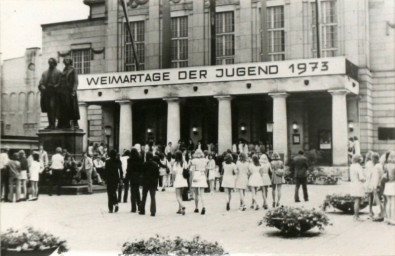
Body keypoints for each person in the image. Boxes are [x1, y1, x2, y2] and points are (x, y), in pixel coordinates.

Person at [38, 58, 61, 129]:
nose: (50, 64)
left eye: (52, 63)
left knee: (52, 108)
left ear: (55, 63)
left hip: (54, 93)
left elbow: (60, 83)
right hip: (46, 93)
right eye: (49, 63)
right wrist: (42, 87)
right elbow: (40, 83)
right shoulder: (45, 73)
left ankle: (53, 124)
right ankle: (50, 124)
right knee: (48, 109)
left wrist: (55, 86)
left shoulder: (59, 72)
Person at [57, 57, 80, 128]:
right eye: (65, 60)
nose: (65, 61)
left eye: (67, 59)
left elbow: (76, 81)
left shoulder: (73, 69)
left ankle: (75, 122)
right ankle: (64, 123)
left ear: (70, 61)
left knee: (71, 107)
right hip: (62, 92)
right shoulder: (63, 70)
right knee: (63, 107)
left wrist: (74, 90)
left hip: (69, 91)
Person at [140, 152, 159, 216]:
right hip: (153, 182)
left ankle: (142, 210)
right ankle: (153, 211)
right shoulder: (155, 164)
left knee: (144, 196)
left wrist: (141, 182)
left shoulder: (144, 164)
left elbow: (142, 174)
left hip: (145, 182)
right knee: (153, 197)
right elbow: (157, 175)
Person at [191, 149, 208, 215]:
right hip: (202, 174)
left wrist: (193, 178)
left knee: (196, 193)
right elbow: (206, 170)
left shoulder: (194, 161)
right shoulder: (205, 160)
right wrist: (206, 177)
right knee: (202, 193)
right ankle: (203, 206)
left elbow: (193, 170)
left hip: (196, 174)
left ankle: (196, 207)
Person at [349, 154, 366, 221]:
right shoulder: (358, 167)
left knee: (356, 200)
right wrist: (365, 179)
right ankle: (356, 216)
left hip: (353, 184)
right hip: (358, 184)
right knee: (358, 200)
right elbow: (361, 177)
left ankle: (355, 215)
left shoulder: (352, 166)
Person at [126, 148, 142, 213]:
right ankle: (139, 205)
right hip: (138, 176)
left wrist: (127, 177)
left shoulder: (129, 160)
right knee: (137, 191)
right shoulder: (140, 159)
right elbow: (141, 169)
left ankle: (133, 208)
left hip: (132, 177)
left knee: (132, 192)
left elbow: (128, 169)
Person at [383, 151, 395, 224]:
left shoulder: (386, 165)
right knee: (393, 203)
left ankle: (388, 218)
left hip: (387, 185)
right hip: (394, 184)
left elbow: (385, 175)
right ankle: (393, 219)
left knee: (388, 203)